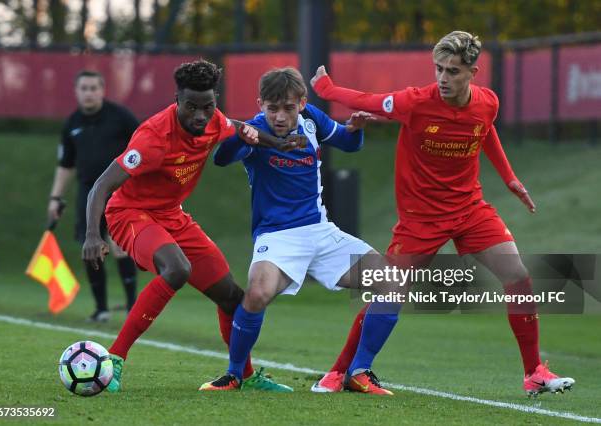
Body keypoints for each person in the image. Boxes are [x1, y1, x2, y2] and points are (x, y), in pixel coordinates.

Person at [309, 30, 575, 397]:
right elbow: (367, 100)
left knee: (517, 275)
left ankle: (535, 372)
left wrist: (510, 178)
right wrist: (325, 89)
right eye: (439, 69)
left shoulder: (488, 102)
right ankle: (341, 372)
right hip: (421, 217)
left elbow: (485, 131)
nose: (443, 78)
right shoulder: (415, 102)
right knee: (390, 289)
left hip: (469, 209)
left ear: (473, 72)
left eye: (452, 71)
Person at [82, 59, 297, 393]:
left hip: (172, 214)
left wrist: (275, 142)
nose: (200, 115)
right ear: (177, 100)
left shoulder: (214, 121)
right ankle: (115, 359)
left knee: (232, 298)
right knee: (177, 269)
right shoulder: (152, 138)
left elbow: (236, 126)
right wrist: (93, 235)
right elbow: (102, 186)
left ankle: (243, 374)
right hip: (130, 213)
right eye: (191, 107)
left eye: (207, 106)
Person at [200, 67, 401, 395]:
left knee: (392, 284)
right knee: (257, 294)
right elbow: (221, 159)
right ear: (260, 104)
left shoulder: (312, 120)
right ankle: (235, 374)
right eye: (272, 108)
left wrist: (356, 128)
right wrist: (239, 136)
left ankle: (359, 371)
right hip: (277, 237)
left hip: (320, 231)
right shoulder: (254, 130)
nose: (280, 116)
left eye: (288, 108)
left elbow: (348, 144)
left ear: (302, 103)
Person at [47, 70, 138, 322]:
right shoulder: (72, 124)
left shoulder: (121, 117)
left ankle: (133, 307)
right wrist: (55, 198)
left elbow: (144, 146)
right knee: (91, 248)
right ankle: (101, 309)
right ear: (76, 91)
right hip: (88, 193)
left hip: (121, 190)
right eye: (84, 88)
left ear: (102, 90)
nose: (89, 93)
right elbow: (65, 165)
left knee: (119, 246)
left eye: (93, 88)